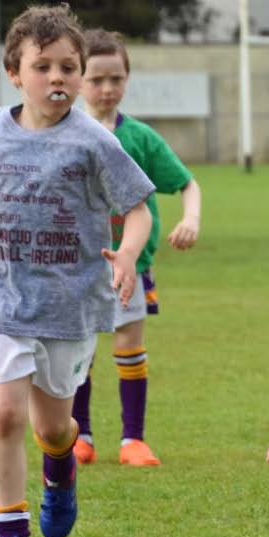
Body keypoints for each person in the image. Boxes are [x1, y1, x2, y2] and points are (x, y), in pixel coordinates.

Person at [0, 4, 155, 537]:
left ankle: (61, 466)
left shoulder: (94, 142)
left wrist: (127, 253)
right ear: (14, 72)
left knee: (52, 427)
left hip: (68, 304)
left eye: (68, 67)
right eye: (43, 66)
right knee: (3, 415)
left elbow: (138, 206)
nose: (58, 78)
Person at [70, 29, 204, 467]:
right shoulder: (65, 134)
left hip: (131, 264)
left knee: (129, 345)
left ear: (126, 79)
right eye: (96, 79)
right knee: (79, 352)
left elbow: (186, 183)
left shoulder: (141, 138)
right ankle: (80, 436)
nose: (107, 89)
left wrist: (191, 218)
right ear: (78, 80)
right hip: (76, 267)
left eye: (116, 78)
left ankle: (133, 440)